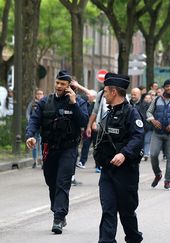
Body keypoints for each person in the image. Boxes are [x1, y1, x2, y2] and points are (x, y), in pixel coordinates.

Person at [25, 70, 88, 234]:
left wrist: (74, 104)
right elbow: (34, 120)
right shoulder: (45, 101)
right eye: (58, 83)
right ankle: (58, 209)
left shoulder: (78, 102)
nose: (59, 86)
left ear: (69, 86)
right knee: (51, 182)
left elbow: (83, 121)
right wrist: (30, 136)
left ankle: (59, 218)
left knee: (62, 183)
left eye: (63, 84)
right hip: (49, 149)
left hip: (68, 149)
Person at [93, 73, 144, 242]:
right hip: (108, 171)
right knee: (108, 209)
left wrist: (124, 153)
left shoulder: (132, 113)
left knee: (126, 212)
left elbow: (138, 138)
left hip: (126, 172)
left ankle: (134, 238)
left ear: (114, 92)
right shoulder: (109, 114)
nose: (104, 94)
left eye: (106, 91)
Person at [26, 89, 44, 168]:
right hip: (34, 127)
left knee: (42, 143)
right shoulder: (32, 104)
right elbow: (28, 113)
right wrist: (31, 122)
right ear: (36, 95)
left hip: (42, 127)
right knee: (34, 143)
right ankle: (35, 160)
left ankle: (42, 159)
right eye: (38, 94)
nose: (39, 95)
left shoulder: (44, 103)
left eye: (41, 94)